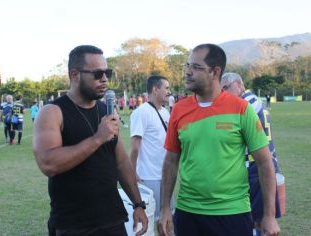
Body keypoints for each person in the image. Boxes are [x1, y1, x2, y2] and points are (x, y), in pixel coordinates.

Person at [159, 44, 280, 236]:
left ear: (215, 72)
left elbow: (265, 163)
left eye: (196, 67)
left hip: (232, 213)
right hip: (188, 212)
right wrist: (165, 207)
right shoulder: (179, 110)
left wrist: (269, 215)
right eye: (187, 66)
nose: (188, 72)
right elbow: (171, 161)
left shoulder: (241, 109)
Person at [32, 45, 148, 236]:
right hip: (73, 224)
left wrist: (138, 204)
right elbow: (48, 163)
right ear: (75, 75)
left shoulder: (107, 111)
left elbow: (121, 163)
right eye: (97, 73)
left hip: (112, 220)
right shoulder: (52, 112)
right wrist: (97, 139)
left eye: (107, 72)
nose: (104, 79)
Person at [221, 72, 282, 235]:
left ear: (239, 84)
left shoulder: (245, 103)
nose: (224, 92)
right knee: (254, 219)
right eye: (221, 90)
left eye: (226, 88)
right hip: (256, 166)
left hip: (257, 167)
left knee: (260, 221)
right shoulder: (253, 101)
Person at [130, 75, 173, 223]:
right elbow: (135, 146)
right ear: (155, 89)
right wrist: (132, 171)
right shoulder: (141, 112)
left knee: (167, 219)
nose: (169, 91)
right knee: (150, 221)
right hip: (149, 177)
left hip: (167, 176)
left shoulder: (165, 112)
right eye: (166, 88)